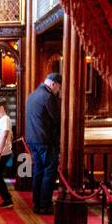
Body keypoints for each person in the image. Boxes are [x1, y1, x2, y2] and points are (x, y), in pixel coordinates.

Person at [25, 71, 62, 213]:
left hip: (33, 140)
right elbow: (57, 120)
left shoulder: (33, 95)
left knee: (38, 170)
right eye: (59, 88)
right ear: (53, 84)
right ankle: (45, 204)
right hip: (44, 141)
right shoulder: (48, 97)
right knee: (49, 171)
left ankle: (37, 202)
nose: (58, 91)